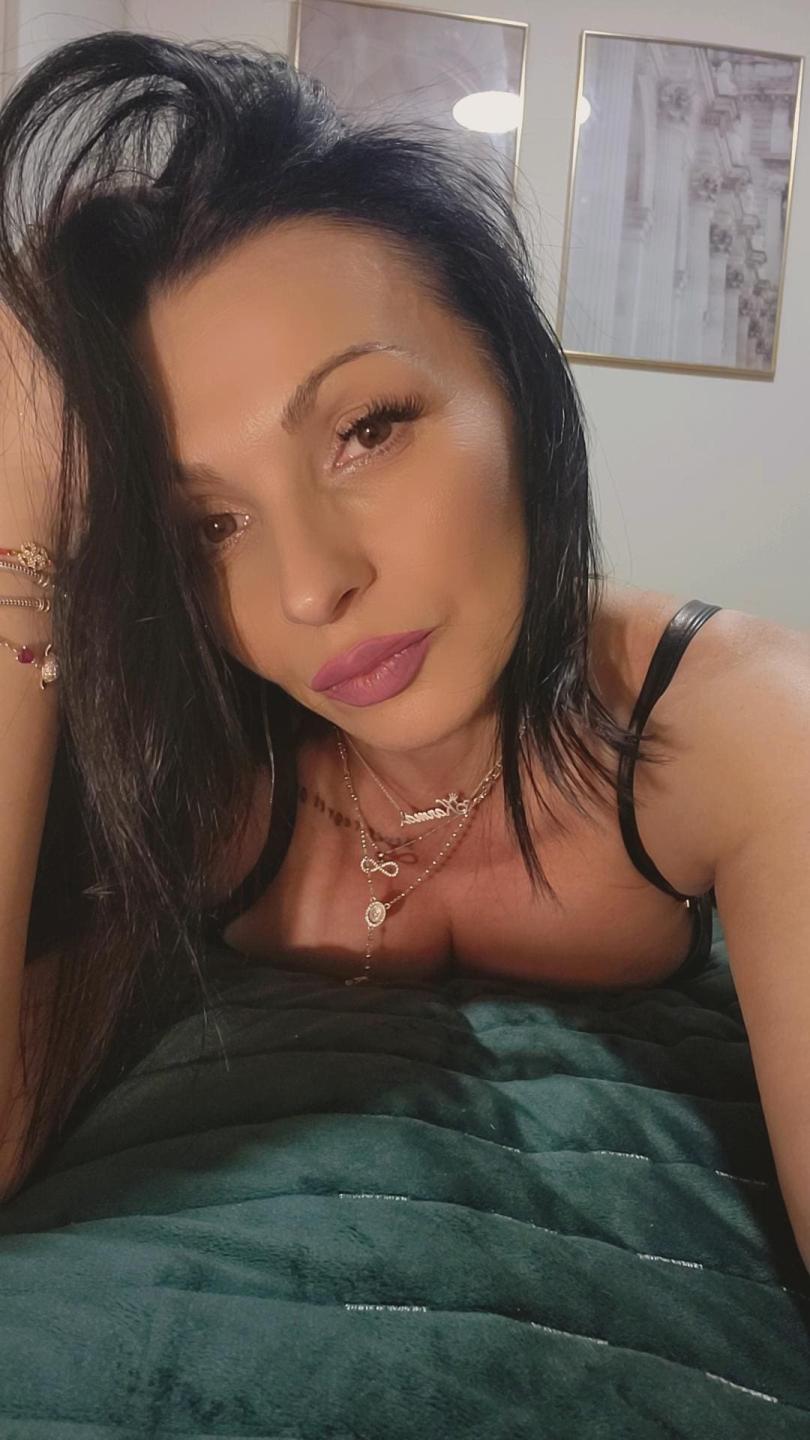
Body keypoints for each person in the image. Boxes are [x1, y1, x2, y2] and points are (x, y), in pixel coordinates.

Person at [0, 31, 808, 1278]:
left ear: (515, 387)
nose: (310, 587)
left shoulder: (742, 720)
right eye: (207, 526)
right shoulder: (185, 758)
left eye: (367, 430)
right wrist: (23, 525)